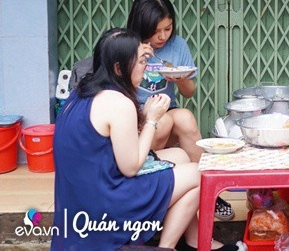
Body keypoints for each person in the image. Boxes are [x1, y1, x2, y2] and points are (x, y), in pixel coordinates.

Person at [52, 28, 234, 250]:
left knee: (180, 155)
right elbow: (129, 167)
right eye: (141, 61)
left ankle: (193, 239)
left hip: (81, 199)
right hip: (105, 205)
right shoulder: (118, 102)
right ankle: (166, 247)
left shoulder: (81, 91)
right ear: (119, 68)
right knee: (198, 173)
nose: (146, 68)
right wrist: (151, 120)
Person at [127, 0, 235, 221]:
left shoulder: (177, 45)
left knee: (184, 116)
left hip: (167, 109)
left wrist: (181, 78)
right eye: (156, 31)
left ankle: (209, 192)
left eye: (168, 28)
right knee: (164, 121)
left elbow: (189, 92)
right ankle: (157, 187)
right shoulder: (127, 45)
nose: (163, 36)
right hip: (136, 118)